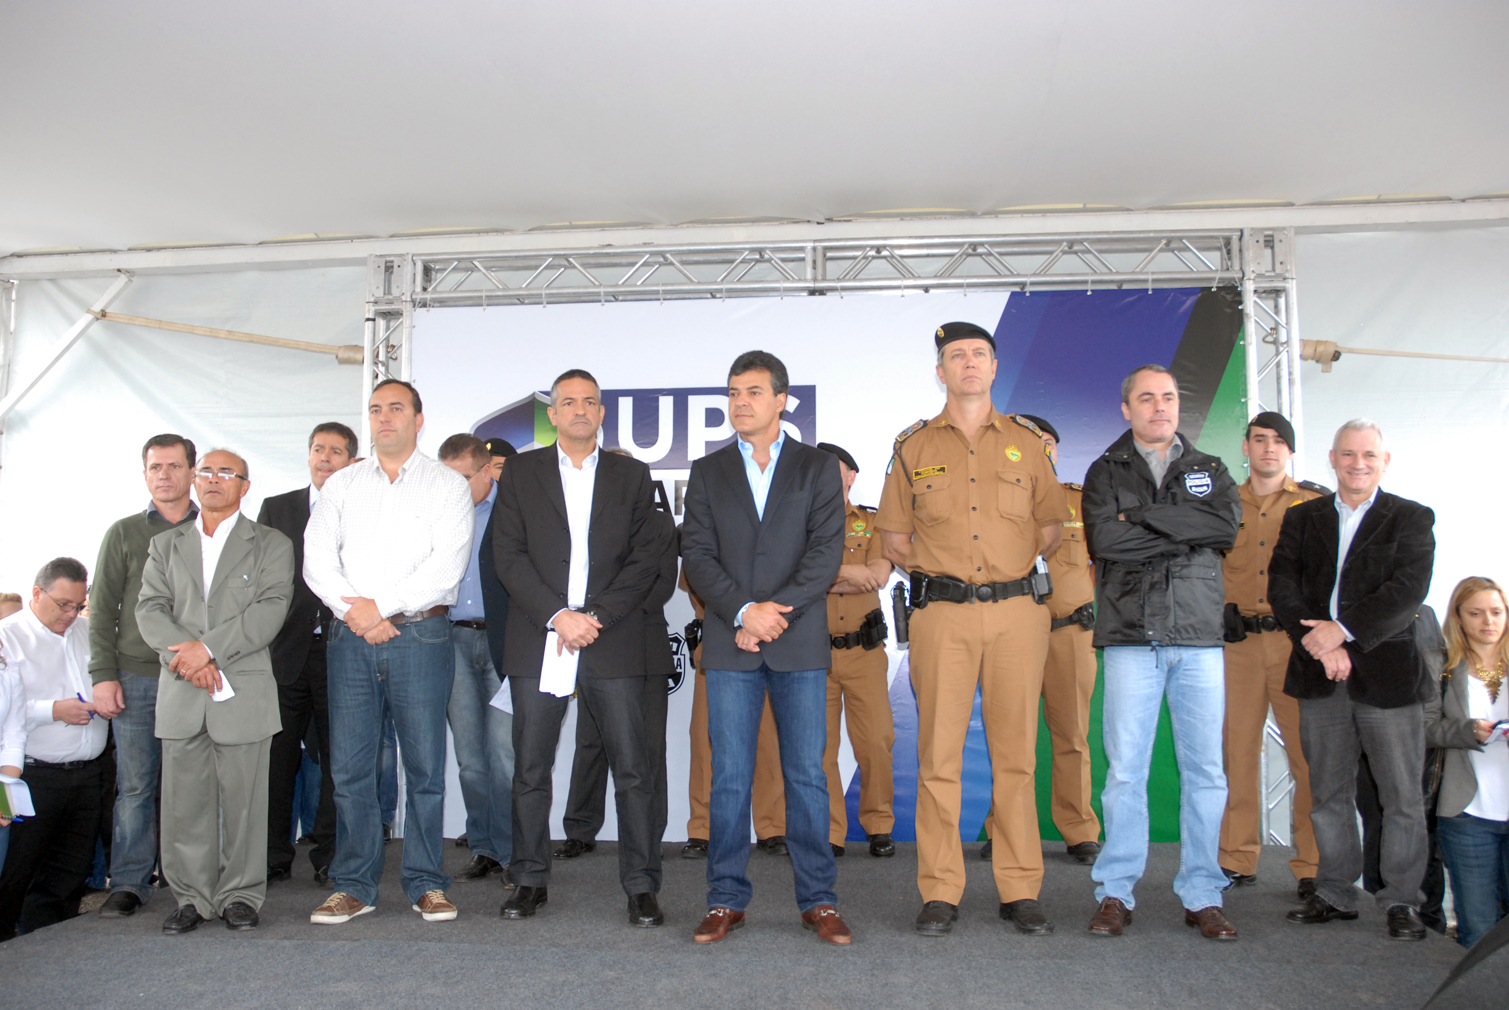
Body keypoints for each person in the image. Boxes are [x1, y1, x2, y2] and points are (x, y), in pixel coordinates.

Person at [876, 323, 1070, 938]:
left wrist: (1003, 570)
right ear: (940, 372)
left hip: (1017, 614)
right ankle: (940, 889)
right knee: (938, 757)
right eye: (955, 356)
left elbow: (1050, 529)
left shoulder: (1028, 444)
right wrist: (946, 573)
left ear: (993, 367)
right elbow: (895, 539)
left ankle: (1020, 886)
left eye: (979, 355)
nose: (968, 364)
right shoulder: (912, 446)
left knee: (1016, 756)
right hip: (943, 616)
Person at [681, 350, 850, 946]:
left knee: (806, 775)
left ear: (781, 400)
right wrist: (741, 613)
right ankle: (725, 899)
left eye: (753, 392)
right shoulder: (707, 471)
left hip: (797, 644)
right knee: (729, 777)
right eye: (733, 393)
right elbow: (697, 556)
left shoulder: (816, 467)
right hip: (731, 643)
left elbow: (825, 554)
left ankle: (819, 900)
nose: (740, 402)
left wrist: (770, 616)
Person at [492, 371, 670, 927]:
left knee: (633, 768)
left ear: (601, 412)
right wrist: (558, 615)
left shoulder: (631, 474)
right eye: (567, 402)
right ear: (552, 414)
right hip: (540, 635)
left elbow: (645, 558)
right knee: (531, 768)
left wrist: (596, 617)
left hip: (611, 637)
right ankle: (529, 878)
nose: (579, 410)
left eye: (589, 402)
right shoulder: (521, 472)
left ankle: (641, 885)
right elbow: (508, 554)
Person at [304, 378, 475, 925]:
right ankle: (354, 884)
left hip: (421, 636)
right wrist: (357, 612)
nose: (384, 418)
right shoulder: (342, 484)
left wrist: (380, 608)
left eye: (396, 408)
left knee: (424, 769)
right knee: (351, 769)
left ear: (418, 420)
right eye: (376, 409)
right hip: (350, 639)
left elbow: (446, 567)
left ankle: (426, 882)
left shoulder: (447, 485)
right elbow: (316, 560)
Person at [1081, 364, 1240, 941]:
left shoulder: (1210, 469)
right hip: (1130, 636)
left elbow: (1223, 529)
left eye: (1168, 397)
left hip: (1198, 639)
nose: (1159, 407)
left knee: (1207, 772)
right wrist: (1183, 529)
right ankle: (1115, 891)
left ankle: (1203, 893)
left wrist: (1142, 517)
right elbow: (1106, 540)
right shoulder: (1105, 470)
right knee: (1126, 772)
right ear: (1127, 409)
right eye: (1146, 398)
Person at [1269, 419, 1436, 941]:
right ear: (1332, 458)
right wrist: (1320, 643)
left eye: (1368, 455)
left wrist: (1342, 633)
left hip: (1388, 679)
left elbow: (1406, 592)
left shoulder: (1411, 518)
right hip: (1320, 674)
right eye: (1347, 454)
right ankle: (1336, 892)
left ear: (1385, 461)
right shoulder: (1304, 517)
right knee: (1327, 792)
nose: (1357, 463)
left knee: (1401, 796)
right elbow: (1282, 585)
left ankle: (1402, 900)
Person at [136, 449, 294, 933]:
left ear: (245, 486)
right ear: (194, 480)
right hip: (183, 689)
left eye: (226, 473)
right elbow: (149, 609)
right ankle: (191, 898)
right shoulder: (165, 545)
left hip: (242, 690)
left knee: (245, 804)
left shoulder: (271, 543)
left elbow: (270, 609)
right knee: (184, 804)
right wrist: (186, 659)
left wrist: (207, 650)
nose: (213, 480)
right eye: (205, 471)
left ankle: (240, 895)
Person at [1217, 412, 1326, 896]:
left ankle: (1312, 866)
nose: (1268, 448)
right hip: (1237, 643)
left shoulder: (1315, 504)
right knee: (1236, 754)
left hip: (1295, 645)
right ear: (1245, 447)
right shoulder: (1222, 502)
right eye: (1259, 440)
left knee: (1308, 757)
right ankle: (1235, 858)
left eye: (1279, 441)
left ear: (1290, 451)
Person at [91, 434, 200, 919]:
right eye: (155, 467)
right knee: (135, 787)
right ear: (144, 474)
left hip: (197, 676)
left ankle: (192, 880)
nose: (164, 475)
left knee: (194, 785)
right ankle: (129, 883)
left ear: (192, 472)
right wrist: (103, 674)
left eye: (174, 466)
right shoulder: (123, 532)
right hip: (136, 676)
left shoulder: (213, 529)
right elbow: (101, 610)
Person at [556, 448, 678, 873]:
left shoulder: (659, 523)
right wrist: (589, 622)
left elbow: (661, 587)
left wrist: (602, 617)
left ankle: (648, 834)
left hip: (641, 650)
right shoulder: (581, 522)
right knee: (589, 743)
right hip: (591, 645)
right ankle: (580, 830)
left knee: (647, 750)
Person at [259, 421, 357, 887]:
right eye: (318, 449)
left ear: (351, 461)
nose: (325, 458)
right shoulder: (278, 508)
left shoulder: (366, 507)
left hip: (343, 649)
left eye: (335, 451)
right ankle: (271, 854)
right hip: (285, 652)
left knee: (339, 760)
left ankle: (330, 853)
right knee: (276, 759)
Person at [0, 559, 106, 939]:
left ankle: (52, 948)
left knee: (68, 876)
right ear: (36, 593)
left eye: (78, 605)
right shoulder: (7, 637)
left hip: (87, 774)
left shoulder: (89, 632)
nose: (71, 614)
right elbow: (7, 714)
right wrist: (54, 710)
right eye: (63, 604)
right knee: (15, 874)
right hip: (30, 775)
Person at [1020, 415, 1102, 865]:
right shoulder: (998, 501)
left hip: (1070, 632)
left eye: (1048, 442)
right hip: (1014, 635)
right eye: (1032, 441)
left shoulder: (1081, 501)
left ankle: (1079, 829)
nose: (1043, 449)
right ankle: (1006, 827)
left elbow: (1102, 563)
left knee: (1072, 735)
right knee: (1011, 738)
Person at [437, 433, 514, 884]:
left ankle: (512, 850)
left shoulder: (517, 510)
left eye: (462, 478)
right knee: (469, 758)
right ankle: (483, 845)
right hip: (453, 641)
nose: (453, 488)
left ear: (487, 471)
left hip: (505, 644)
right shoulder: (437, 514)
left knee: (505, 754)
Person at [815, 441, 896, 859]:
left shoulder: (873, 522)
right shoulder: (801, 524)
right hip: (814, 655)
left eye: (834, 469)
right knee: (820, 748)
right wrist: (851, 573)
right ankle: (831, 832)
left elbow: (877, 575)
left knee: (876, 741)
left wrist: (825, 576)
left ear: (851, 475)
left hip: (864, 652)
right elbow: (798, 577)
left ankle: (879, 825)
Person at [680, 572, 789, 859]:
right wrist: (736, 616)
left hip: (771, 640)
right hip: (719, 638)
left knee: (769, 738)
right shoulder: (707, 538)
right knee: (706, 739)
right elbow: (697, 579)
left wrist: (759, 623)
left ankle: (772, 826)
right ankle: (703, 828)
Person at [1426, 576, 1509, 948]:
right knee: (1477, 928)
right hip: (1466, 814)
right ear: (1458, 618)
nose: (1488, 621)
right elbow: (1424, 728)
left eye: (1496, 612)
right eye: (1476, 613)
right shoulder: (1442, 666)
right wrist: (1468, 731)